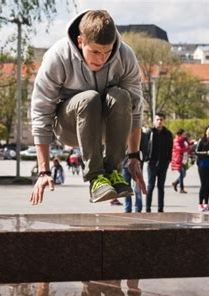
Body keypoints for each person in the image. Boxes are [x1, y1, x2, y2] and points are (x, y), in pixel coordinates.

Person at [29, 10, 146, 205]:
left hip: (105, 128)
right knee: (89, 99)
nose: (101, 60)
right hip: (69, 128)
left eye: (107, 52)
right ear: (80, 41)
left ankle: (112, 172)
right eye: (95, 52)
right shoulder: (58, 57)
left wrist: (134, 156)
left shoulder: (125, 55)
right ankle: (95, 178)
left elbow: (135, 110)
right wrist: (44, 170)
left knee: (122, 97)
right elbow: (41, 112)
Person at [145, 113, 173, 213]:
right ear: (154, 121)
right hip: (152, 163)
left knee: (161, 187)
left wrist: (168, 160)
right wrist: (146, 158)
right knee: (150, 186)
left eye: (161, 119)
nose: (159, 121)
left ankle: (160, 209)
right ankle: (148, 208)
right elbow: (145, 146)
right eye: (157, 119)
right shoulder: (150, 132)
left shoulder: (168, 134)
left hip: (163, 164)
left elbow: (170, 148)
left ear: (164, 121)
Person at [122, 130, 148, 212]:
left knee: (137, 187)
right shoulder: (124, 133)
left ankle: (138, 208)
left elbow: (144, 151)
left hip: (137, 165)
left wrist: (140, 162)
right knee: (126, 188)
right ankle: (127, 208)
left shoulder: (143, 135)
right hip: (124, 164)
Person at [195, 125, 209, 211]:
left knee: (208, 186)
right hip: (203, 165)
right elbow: (196, 152)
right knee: (203, 185)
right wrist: (206, 153)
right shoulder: (201, 140)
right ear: (206, 131)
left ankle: (206, 204)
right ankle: (200, 204)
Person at [170, 128, 192, 194]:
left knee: (183, 174)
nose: (185, 135)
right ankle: (181, 188)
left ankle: (175, 183)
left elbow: (187, 144)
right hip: (178, 159)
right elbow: (179, 149)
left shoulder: (183, 140)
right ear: (180, 134)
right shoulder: (176, 141)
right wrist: (188, 148)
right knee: (182, 174)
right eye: (183, 134)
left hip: (184, 159)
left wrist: (191, 143)